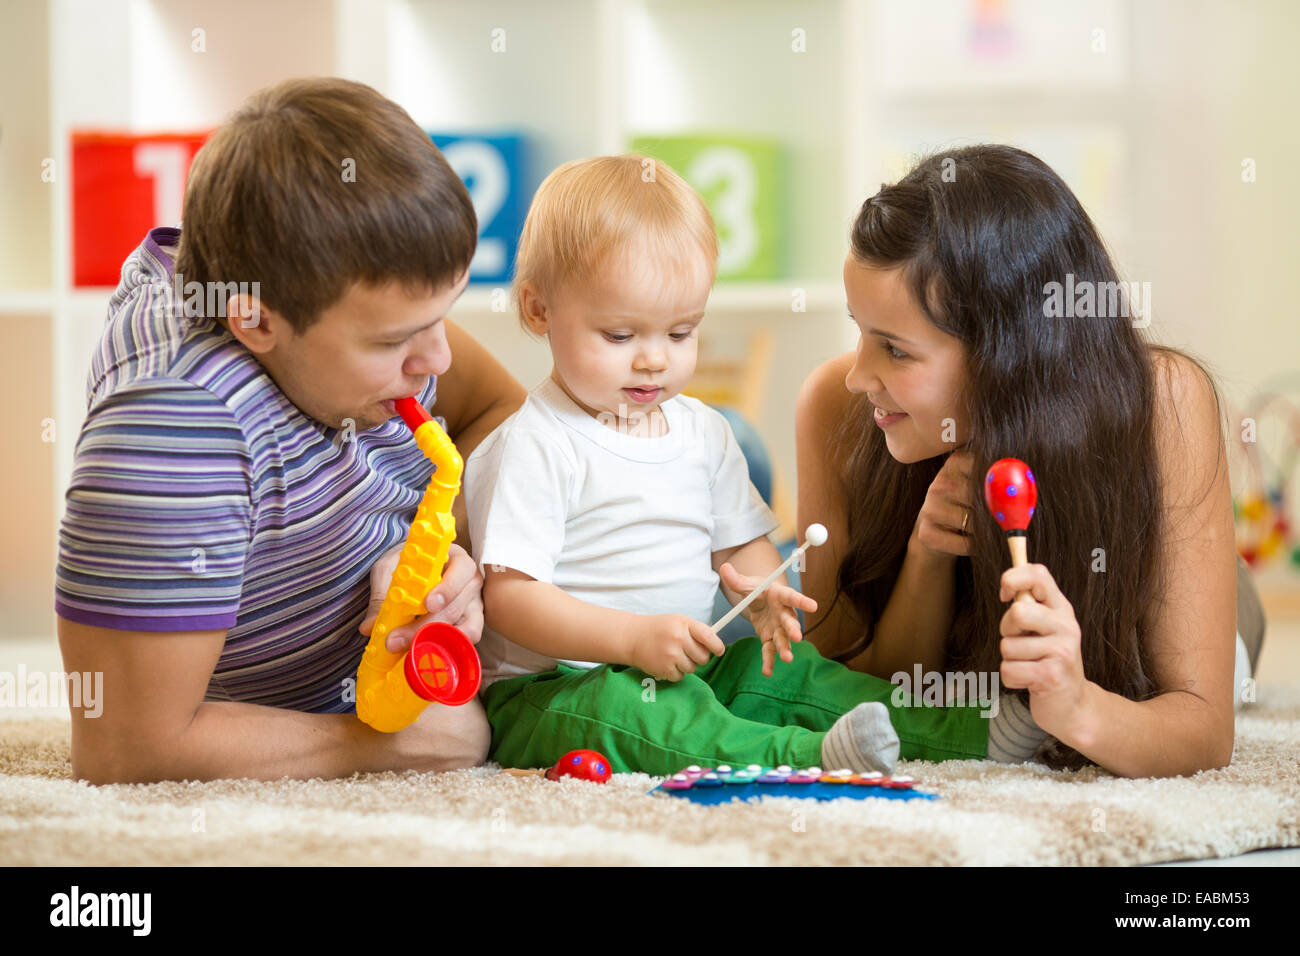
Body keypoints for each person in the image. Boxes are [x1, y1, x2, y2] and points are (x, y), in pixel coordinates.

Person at [465, 156, 1040, 777]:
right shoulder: (535, 443)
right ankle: (808, 757)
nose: (655, 361)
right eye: (621, 336)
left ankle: (962, 732)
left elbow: (741, 546)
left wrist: (767, 592)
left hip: (688, 668)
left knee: (795, 678)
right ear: (538, 311)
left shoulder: (704, 432)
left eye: (681, 333)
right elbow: (511, 600)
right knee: (645, 715)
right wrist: (630, 641)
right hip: (553, 692)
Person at [55, 78, 527, 784]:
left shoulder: (355, 297)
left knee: (726, 449)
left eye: (440, 313)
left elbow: (502, 412)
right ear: (257, 320)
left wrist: (437, 553)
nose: (439, 360)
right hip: (331, 710)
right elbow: (128, 749)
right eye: (397, 339)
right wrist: (400, 746)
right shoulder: (178, 424)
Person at [796, 144, 1265, 779]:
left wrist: (1077, 709)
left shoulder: (1165, 402)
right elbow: (837, 692)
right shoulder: (833, 406)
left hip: (1169, 602)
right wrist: (926, 558)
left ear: (1009, 354)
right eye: (859, 329)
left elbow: (1203, 734)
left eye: (896, 351)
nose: (857, 376)